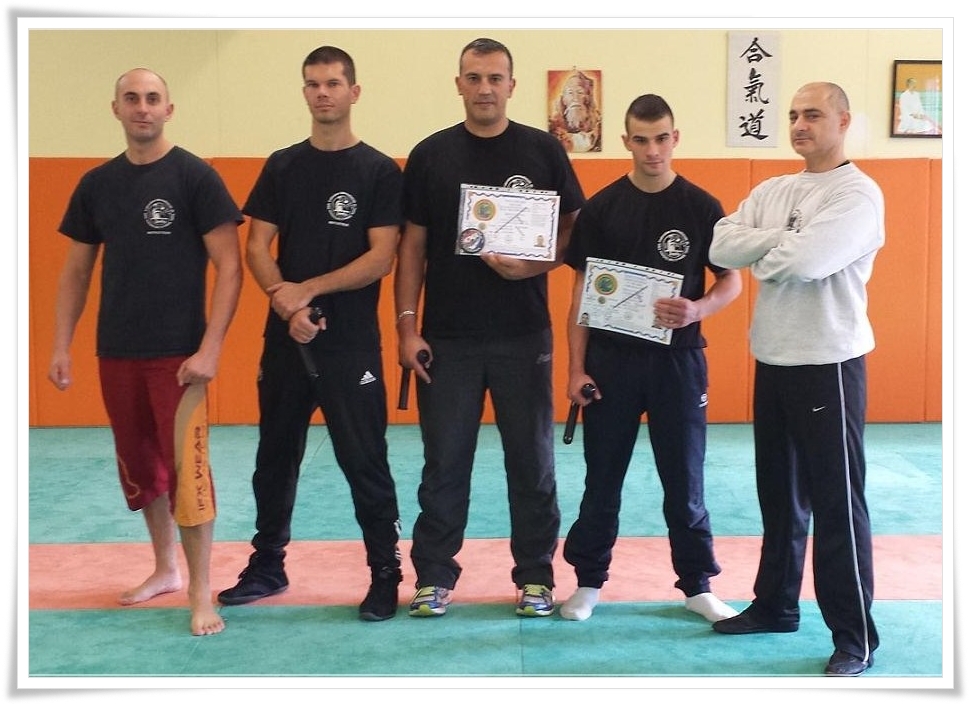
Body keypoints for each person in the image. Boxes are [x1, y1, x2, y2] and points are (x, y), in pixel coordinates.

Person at [47, 68, 243, 636]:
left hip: (180, 357)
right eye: (131, 98)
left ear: (169, 109)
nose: (142, 107)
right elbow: (77, 271)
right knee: (141, 468)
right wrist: (61, 344)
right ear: (115, 108)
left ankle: (201, 591)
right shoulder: (96, 184)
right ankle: (165, 568)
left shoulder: (195, 177)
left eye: (153, 98)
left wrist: (210, 348)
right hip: (117, 352)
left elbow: (230, 267)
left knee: (188, 473)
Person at [395, 37, 584, 617]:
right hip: (447, 337)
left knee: (532, 462)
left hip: (523, 335)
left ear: (511, 85)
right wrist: (407, 327)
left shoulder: (543, 150)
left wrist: (535, 264)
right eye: (474, 77)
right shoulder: (431, 155)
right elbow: (412, 247)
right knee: (444, 462)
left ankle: (536, 577)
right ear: (459, 84)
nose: (484, 88)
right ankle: (433, 575)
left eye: (495, 78)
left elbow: (574, 232)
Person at [216, 46, 405, 622]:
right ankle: (267, 565)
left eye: (333, 83)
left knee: (364, 459)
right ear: (304, 93)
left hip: (350, 344)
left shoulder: (378, 171)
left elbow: (381, 258)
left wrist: (308, 290)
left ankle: (385, 573)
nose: (323, 92)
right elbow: (256, 246)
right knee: (274, 456)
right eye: (313, 84)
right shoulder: (282, 166)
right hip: (286, 341)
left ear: (354, 92)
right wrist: (284, 301)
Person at [708, 82, 883, 677]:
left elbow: (807, 262)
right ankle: (776, 605)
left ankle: (855, 636)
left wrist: (766, 251)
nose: (800, 124)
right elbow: (721, 245)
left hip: (828, 362)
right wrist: (781, 243)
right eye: (793, 115)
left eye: (813, 114)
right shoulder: (773, 189)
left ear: (843, 120)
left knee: (837, 504)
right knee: (779, 499)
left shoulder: (857, 194)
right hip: (774, 359)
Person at [558, 94, 742, 624]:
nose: (652, 150)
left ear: (675, 138)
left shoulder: (702, 207)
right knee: (602, 478)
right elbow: (581, 296)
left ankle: (697, 585)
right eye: (641, 140)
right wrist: (575, 368)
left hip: (678, 363)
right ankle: (588, 581)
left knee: (685, 480)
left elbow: (730, 281)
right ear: (626, 142)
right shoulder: (602, 208)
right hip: (611, 363)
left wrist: (698, 309)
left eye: (661, 138)